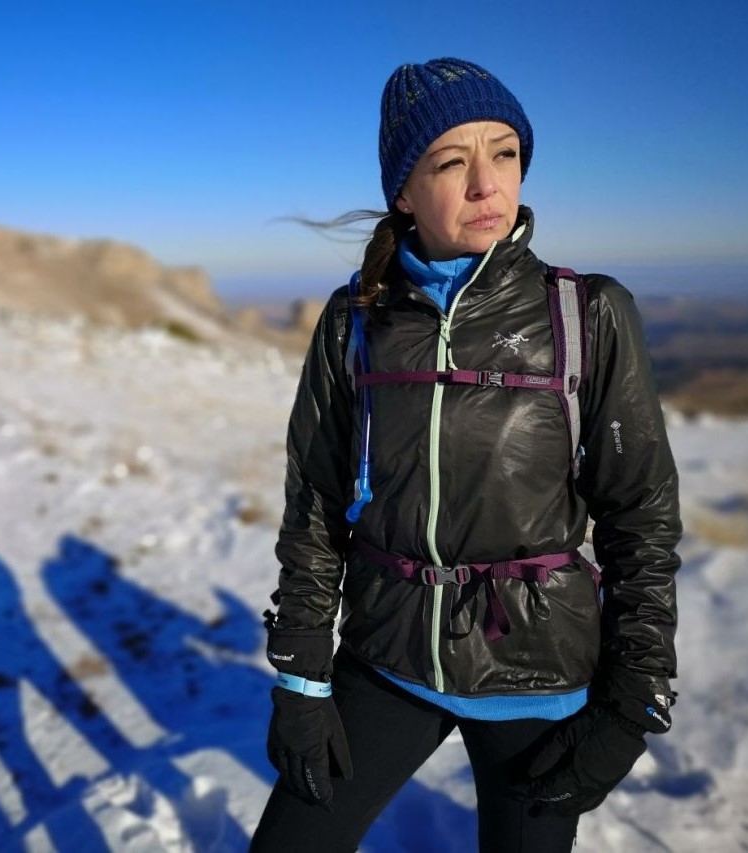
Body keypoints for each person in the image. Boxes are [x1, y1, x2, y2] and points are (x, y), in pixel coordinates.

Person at [250, 57, 680, 852]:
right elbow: (315, 502)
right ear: (404, 192)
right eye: (451, 162)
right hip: (387, 653)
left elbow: (641, 514)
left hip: (536, 671)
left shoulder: (585, 313)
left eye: (504, 153)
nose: (487, 184)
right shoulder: (354, 321)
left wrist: (633, 697)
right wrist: (301, 676)